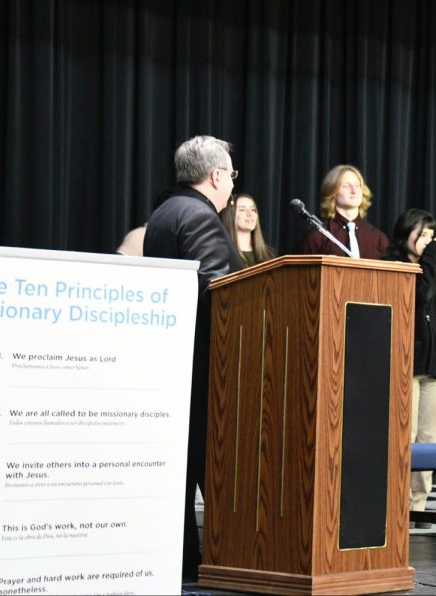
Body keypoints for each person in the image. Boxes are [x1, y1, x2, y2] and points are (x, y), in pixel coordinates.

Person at [143, 135, 246, 581]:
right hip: (206, 370)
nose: (231, 185)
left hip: (173, 364)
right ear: (216, 176)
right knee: (213, 472)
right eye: (231, 176)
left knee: (179, 478)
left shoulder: (163, 214)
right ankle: (228, 563)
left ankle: (183, 562)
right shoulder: (201, 218)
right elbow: (218, 296)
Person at [384, 208, 436, 522]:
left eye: (432, 235)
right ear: (406, 234)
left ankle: (418, 506)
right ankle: (397, 504)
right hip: (407, 366)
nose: (429, 241)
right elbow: (420, 292)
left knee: (429, 438)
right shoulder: (395, 266)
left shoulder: (434, 271)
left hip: (435, 368)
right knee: (406, 436)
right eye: (423, 234)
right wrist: (432, 257)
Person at [298, 164, 388, 259]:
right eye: (346, 186)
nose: (354, 191)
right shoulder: (317, 237)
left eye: (357, 185)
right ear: (332, 192)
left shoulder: (378, 238)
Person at [220, 193, 277, 266]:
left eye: (253, 209)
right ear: (231, 215)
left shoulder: (270, 254)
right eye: (242, 210)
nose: (250, 213)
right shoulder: (222, 254)